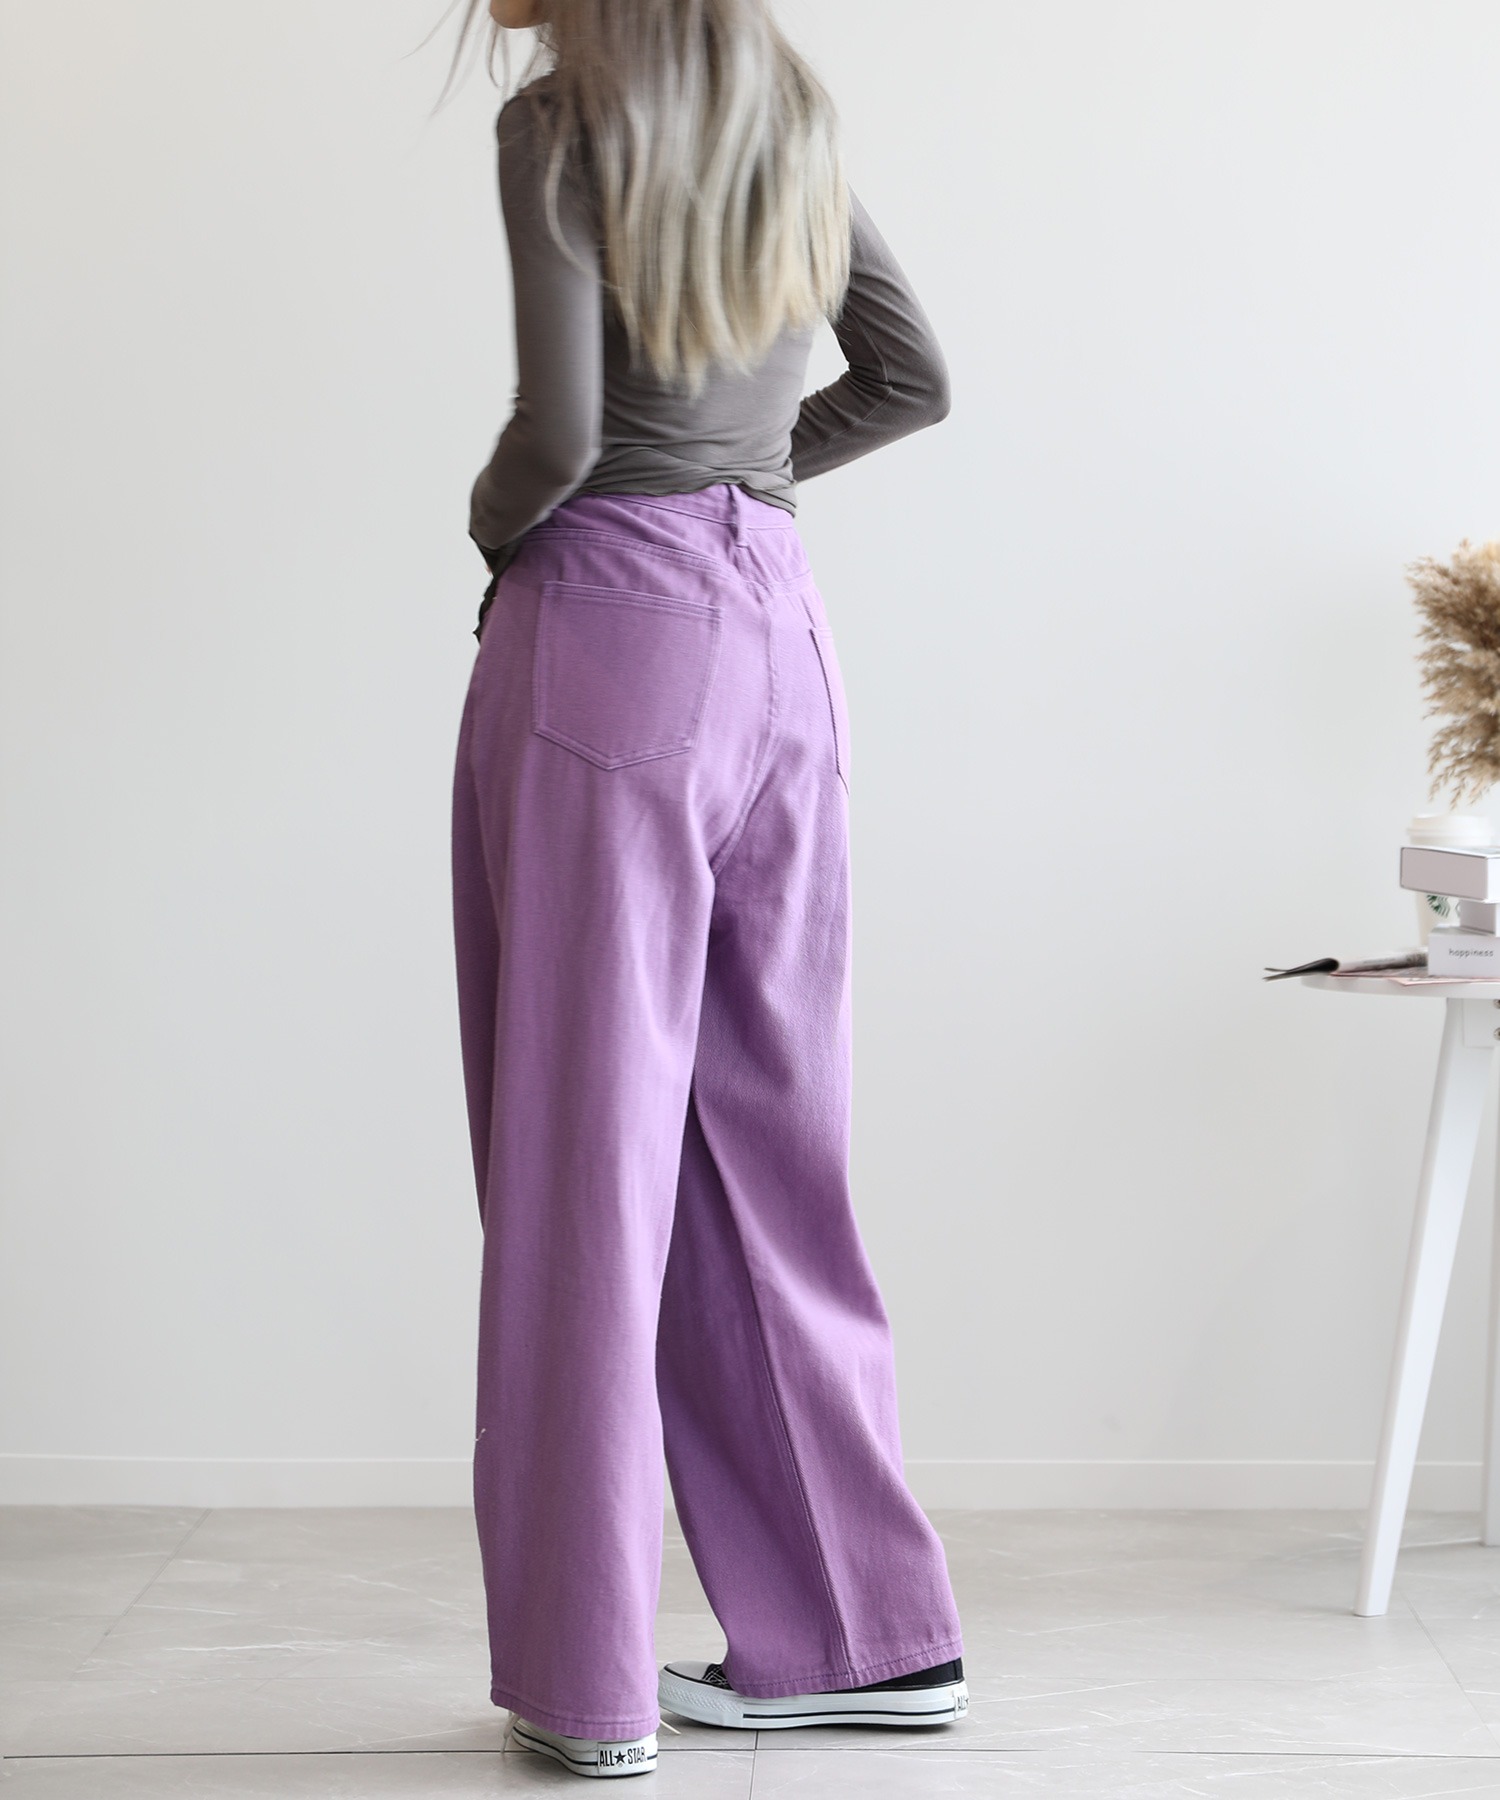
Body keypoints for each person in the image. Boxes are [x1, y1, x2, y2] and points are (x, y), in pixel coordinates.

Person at [448, 0, 965, 1778]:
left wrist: (491, 524)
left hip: (611, 633)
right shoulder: (784, 105)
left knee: (583, 1157)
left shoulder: (557, 122)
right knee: (766, 1137)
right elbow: (911, 377)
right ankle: (863, 1637)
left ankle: (585, 1686)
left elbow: (559, 432)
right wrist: (740, 478)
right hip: (781, 638)